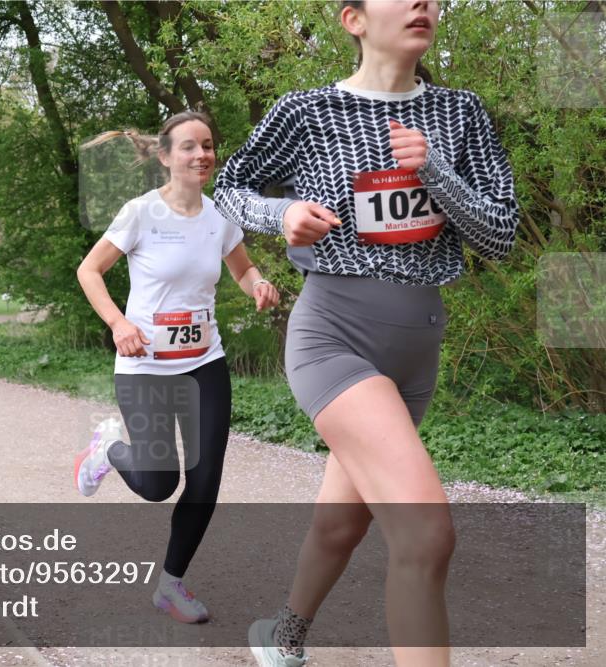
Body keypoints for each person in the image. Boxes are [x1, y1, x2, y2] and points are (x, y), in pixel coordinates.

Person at [213, 1, 519, 665]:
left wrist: (435, 169)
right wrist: (281, 210)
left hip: (417, 347)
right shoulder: (305, 112)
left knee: (341, 521)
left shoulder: (459, 113)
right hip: (334, 336)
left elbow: (500, 233)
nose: (422, 4)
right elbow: (228, 191)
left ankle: (281, 635)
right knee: (426, 534)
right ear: (353, 19)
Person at [75, 111, 280, 624]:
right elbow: (90, 270)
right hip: (145, 366)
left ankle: (171, 584)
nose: (202, 155)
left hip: (203, 363)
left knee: (205, 478)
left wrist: (256, 284)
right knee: (157, 483)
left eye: (208, 145)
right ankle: (107, 450)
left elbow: (241, 266)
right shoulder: (141, 213)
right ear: (165, 156)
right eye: (189, 146)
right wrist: (119, 323)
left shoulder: (220, 216)